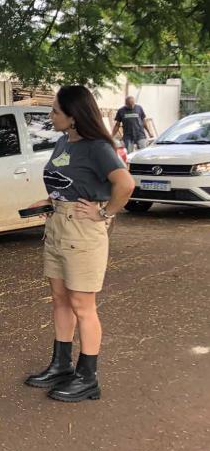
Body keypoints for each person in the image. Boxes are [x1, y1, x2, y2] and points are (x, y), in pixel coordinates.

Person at [24, 85, 134, 402]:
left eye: (56, 111)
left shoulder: (96, 147)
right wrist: (47, 201)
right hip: (57, 225)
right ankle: (61, 365)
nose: (50, 115)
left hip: (83, 231)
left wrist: (104, 213)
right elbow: (66, 182)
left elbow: (125, 184)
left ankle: (88, 378)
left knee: (83, 306)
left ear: (73, 117)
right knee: (59, 298)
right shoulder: (63, 142)